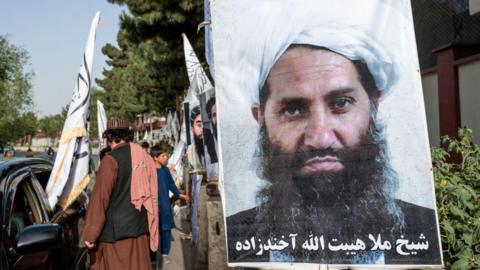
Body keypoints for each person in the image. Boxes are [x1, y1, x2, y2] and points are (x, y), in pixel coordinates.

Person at [226, 26, 441, 265]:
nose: (321, 139)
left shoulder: (424, 231)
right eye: (293, 109)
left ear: (373, 104)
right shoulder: (235, 238)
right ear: (261, 118)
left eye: (341, 103)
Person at [82, 121, 159, 270]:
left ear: (109, 138)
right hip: (141, 229)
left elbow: (100, 199)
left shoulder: (110, 160)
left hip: (116, 237)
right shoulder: (144, 157)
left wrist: (91, 234)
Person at [150, 145, 189, 269]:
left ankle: (164, 254)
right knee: (154, 231)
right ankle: (152, 257)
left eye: (166, 155)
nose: (166, 158)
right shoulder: (149, 171)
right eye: (163, 156)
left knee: (166, 230)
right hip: (153, 206)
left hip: (165, 205)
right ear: (155, 158)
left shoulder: (166, 170)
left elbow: (171, 185)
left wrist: (180, 195)